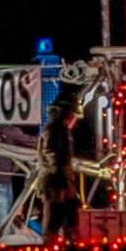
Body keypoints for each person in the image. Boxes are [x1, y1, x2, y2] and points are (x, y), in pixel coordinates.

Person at [36, 103, 78, 241]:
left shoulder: (50, 131)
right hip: (55, 178)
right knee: (55, 212)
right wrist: (68, 181)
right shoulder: (58, 132)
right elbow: (58, 158)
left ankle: (54, 239)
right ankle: (53, 242)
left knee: (57, 211)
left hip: (53, 177)